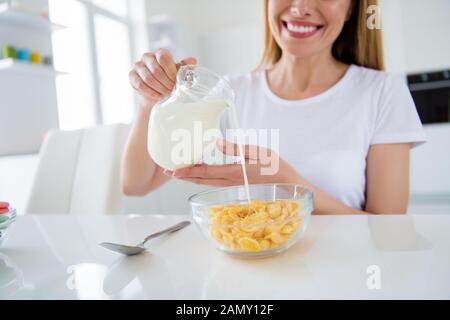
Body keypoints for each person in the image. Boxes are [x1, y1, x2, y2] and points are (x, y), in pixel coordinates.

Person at [122, 0, 426, 214]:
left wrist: (285, 182)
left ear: (352, 8)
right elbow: (137, 184)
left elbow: (388, 233)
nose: (301, 6)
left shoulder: (383, 92)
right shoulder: (228, 93)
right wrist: (151, 101)